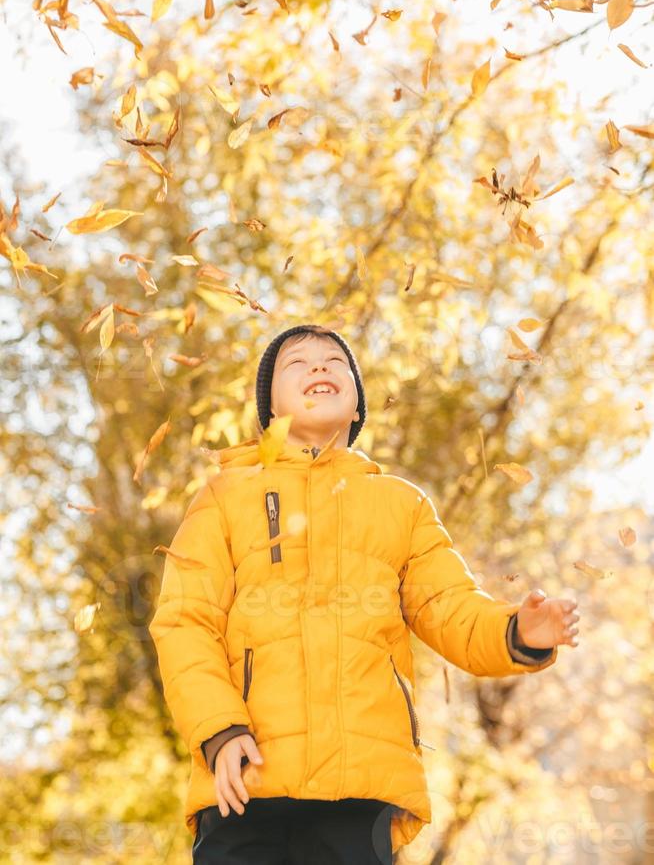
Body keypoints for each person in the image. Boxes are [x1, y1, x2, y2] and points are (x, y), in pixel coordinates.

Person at [148, 323, 580, 863]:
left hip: (363, 791)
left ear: (356, 406)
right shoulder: (226, 496)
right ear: (269, 410)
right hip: (247, 780)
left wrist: (517, 631)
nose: (320, 368)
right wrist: (217, 729)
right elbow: (185, 621)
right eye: (297, 364)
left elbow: (449, 608)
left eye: (334, 361)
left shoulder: (402, 504)